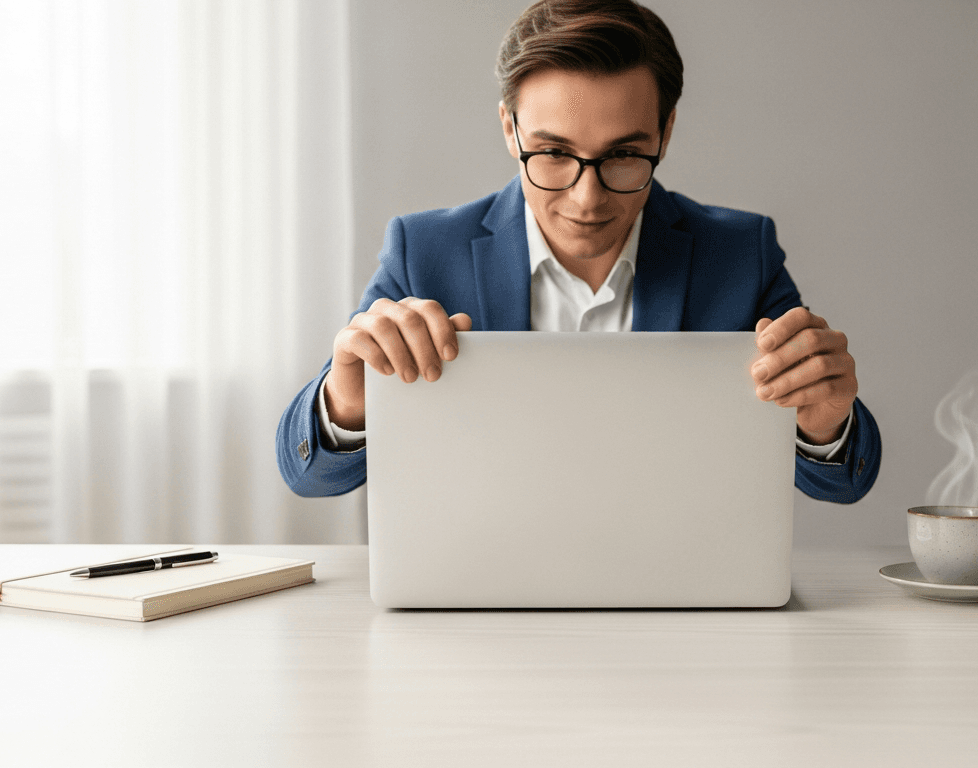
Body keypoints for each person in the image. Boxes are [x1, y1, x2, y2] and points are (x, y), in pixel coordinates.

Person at [277, 0, 880, 502]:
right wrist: (347, 400)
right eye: (555, 154)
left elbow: (838, 484)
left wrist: (824, 421)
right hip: (480, 591)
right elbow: (310, 477)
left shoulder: (739, 255)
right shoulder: (425, 252)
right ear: (510, 130)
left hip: (679, 590)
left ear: (666, 133)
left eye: (623, 155)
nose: (586, 198)